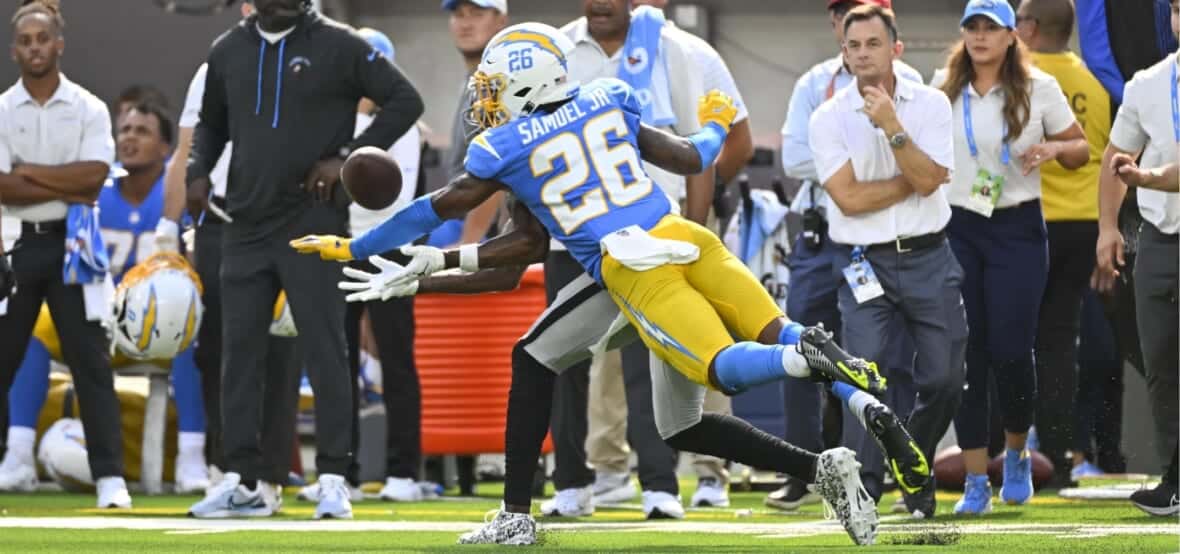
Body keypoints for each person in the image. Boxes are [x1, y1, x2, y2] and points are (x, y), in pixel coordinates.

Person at [293, 22, 904, 547]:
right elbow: (685, 162)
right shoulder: (608, 98)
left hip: (622, 269)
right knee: (682, 423)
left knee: (536, 359)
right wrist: (716, 128)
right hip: (677, 234)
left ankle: (514, 517)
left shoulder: (504, 146)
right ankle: (823, 469)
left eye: (494, 84)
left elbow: (436, 210)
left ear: (525, 83)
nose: (486, 98)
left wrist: (358, 245)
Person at [184, 0, 423, 520]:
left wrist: (350, 158)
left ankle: (334, 477)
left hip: (311, 219)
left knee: (325, 347)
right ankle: (241, 479)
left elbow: (406, 99)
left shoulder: (340, 44)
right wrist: (197, 171)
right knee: (238, 354)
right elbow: (209, 124)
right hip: (243, 223)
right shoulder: (228, 49)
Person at [539, 0, 712, 519]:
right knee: (562, 360)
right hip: (571, 234)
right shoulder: (556, 48)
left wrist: (696, 230)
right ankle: (570, 486)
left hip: (650, 230)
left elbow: (695, 140)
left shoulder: (674, 49)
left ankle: (660, 485)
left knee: (651, 361)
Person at [589, 0, 754, 510]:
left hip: (678, 217)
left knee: (703, 341)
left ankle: (710, 470)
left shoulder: (691, 51)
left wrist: (697, 219)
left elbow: (731, 140)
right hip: (608, 227)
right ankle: (610, 469)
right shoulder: (576, 46)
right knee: (610, 351)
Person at [0, 104, 211, 495]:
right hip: (99, 316)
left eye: (142, 131)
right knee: (31, 335)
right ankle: (18, 452)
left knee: (190, 334)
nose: (128, 138)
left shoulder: (172, 191)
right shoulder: (104, 191)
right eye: (124, 130)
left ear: (166, 147)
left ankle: (191, 456)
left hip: (155, 326)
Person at [808, 4, 968, 519]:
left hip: (929, 255)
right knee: (865, 378)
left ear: (896, 48)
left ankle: (910, 461)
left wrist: (894, 127)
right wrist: (916, 178)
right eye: (852, 46)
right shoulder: (826, 116)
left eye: (872, 44)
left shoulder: (931, 105)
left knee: (944, 378)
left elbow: (931, 179)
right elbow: (850, 200)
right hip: (863, 262)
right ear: (843, 52)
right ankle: (866, 491)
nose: (861, 55)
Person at [933, 0, 1088, 515]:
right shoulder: (944, 86)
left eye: (990, 28)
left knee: (1012, 349)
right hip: (960, 226)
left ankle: (1017, 452)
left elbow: (1080, 148)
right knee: (968, 353)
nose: (979, 37)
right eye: (971, 28)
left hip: (1018, 226)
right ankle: (976, 480)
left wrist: (1051, 150)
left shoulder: (1039, 85)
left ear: (1010, 36)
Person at [774, 0, 923, 511]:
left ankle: (900, 470)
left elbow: (913, 154)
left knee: (891, 357)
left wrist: (841, 156)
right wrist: (858, 163)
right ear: (836, 25)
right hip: (821, 238)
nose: (851, 27)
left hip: (880, 235)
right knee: (796, 351)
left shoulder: (912, 81)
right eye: (842, 14)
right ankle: (801, 471)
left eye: (867, 23)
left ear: (889, 30)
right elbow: (793, 157)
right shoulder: (812, 83)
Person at [0, 0, 132, 509]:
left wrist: (27, 172)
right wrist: (60, 180)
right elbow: (2, 188)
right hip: (17, 244)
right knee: (3, 358)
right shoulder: (4, 110)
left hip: (75, 246)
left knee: (90, 362)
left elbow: (94, 179)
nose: (35, 47)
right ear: (15, 50)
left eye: (43, 38)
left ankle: (110, 479)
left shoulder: (89, 107)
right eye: (25, 40)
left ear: (59, 44)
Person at [1015, 0, 1113, 487]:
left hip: (1032, 225)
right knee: (1059, 344)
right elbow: (1108, 158)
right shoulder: (1096, 86)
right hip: (1083, 227)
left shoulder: (1019, 80)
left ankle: (1000, 454)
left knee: (1008, 341)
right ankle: (1057, 457)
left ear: (1029, 29)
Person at [1094, 0, 1180, 517]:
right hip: (1161, 241)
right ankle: (1175, 477)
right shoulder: (1147, 83)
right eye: (1175, 8)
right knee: (1162, 364)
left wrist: (1148, 179)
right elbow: (1115, 154)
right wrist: (1108, 226)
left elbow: (1149, 170)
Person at [340, 27, 428, 503]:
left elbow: (387, 198)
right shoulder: (334, 119)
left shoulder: (404, 126)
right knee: (339, 360)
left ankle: (403, 471)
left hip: (391, 247)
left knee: (397, 360)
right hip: (344, 247)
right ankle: (343, 469)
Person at [450, 0, 511, 246]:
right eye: (459, 14)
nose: (466, 23)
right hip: (464, 222)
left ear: (500, 21)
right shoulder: (476, 79)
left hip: (488, 234)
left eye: (476, 13)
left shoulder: (499, 80)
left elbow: (497, 165)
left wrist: (469, 242)